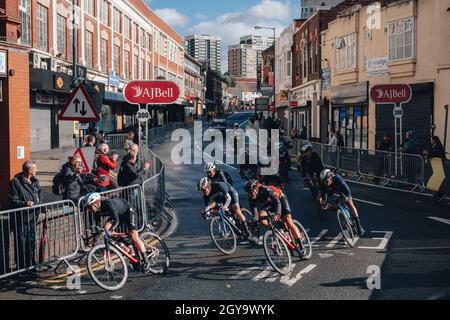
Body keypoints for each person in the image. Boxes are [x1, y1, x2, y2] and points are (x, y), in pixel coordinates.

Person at [82, 193, 152, 272]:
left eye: (90, 206)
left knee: (133, 235)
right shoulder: (96, 212)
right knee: (106, 232)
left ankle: (146, 261)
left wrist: (108, 232)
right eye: (87, 207)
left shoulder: (107, 203)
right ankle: (129, 245)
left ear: (97, 203)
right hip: (117, 216)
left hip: (128, 212)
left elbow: (116, 220)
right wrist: (94, 239)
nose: (89, 209)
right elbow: (100, 230)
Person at [244, 180, 305, 253]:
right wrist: (254, 222)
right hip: (269, 204)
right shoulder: (251, 198)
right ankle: (276, 231)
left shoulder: (265, 189)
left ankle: (301, 246)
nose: (250, 195)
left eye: (251, 192)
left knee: (288, 220)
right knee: (261, 217)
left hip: (279, 199)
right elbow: (255, 215)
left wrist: (278, 214)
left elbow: (277, 202)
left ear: (256, 188)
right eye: (248, 193)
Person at [198, 178, 256, 243]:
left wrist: (225, 206)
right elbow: (208, 207)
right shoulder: (205, 196)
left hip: (231, 194)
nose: (203, 192)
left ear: (208, 186)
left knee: (236, 209)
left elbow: (228, 198)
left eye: (203, 189)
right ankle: (238, 232)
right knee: (225, 217)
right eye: (201, 190)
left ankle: (248, 234)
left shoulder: (218, 185)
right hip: (220, 199)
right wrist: (206, 214)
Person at [9, 161, 42, 271]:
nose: (36, 170)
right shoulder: (16, 182)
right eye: (35, 168)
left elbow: (39, 196)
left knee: (31, 243)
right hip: (21, 219)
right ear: (29, 170)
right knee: (22, 246)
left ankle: (31, 266)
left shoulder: (35, 181)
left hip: (33, 218)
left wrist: (43, 208)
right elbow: (13, 200)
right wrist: (24, 203)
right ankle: (22, 268)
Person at [317, 169, 365, 235]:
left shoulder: (338, 178)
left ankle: (358, 224)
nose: (325, 183)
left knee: (349, 202)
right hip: (329, 192)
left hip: (341, 189)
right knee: (325, 206)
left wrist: (347, 198)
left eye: (326, 181)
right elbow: (323, 198)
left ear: (331, 178)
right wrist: (323, 204)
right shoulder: (323, 185)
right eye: (323, 182)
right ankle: (339, 213)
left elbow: (348, 192)